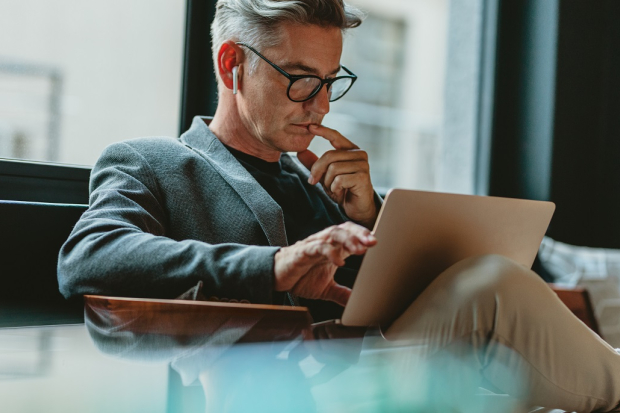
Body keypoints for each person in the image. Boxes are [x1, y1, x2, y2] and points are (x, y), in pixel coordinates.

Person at [57, 0, 620, 411]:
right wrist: (271, 267)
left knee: (501, 304)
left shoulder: (321, 184)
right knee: (495, 284)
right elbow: (88, 257)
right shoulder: (152, 163)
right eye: (301, 81)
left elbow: (389, 301)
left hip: (378, 365)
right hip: (286, 390)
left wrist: (372, 216)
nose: (321, 105)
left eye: (331, 82)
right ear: (232, 65)